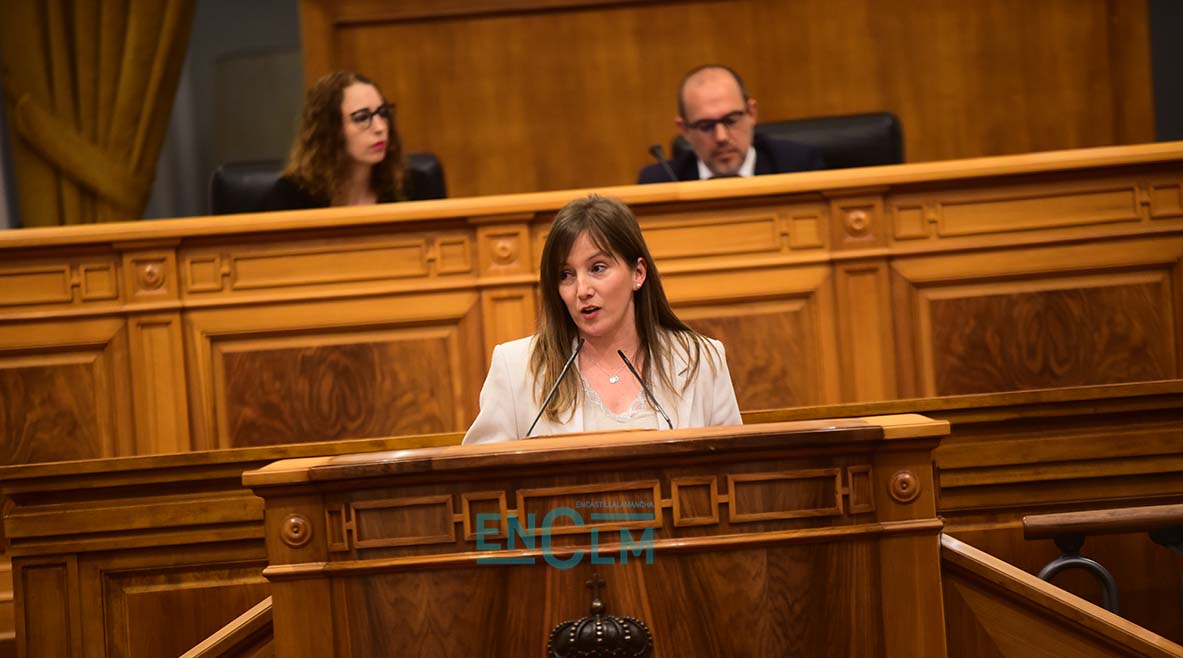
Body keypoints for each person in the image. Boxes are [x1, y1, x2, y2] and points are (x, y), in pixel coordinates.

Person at [463, 195, 742, 444]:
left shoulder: (701, 360)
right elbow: (482, 483)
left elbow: (733, 474)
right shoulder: (517, 368)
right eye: (566, 275)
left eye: (598, 268)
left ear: (638, 273)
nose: (582, 290)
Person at [637, 65, 825, 183]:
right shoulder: (659, 183)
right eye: (706, 125)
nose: (721, 137)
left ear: (751, 113)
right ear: (684, 129)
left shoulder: (799, 167)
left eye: (731, 120)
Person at [261, 71, 406, 210]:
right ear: (330, 129)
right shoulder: (292, 196)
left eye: (383, 113)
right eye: (362, 118)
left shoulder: (411, 186)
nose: (380, 127)